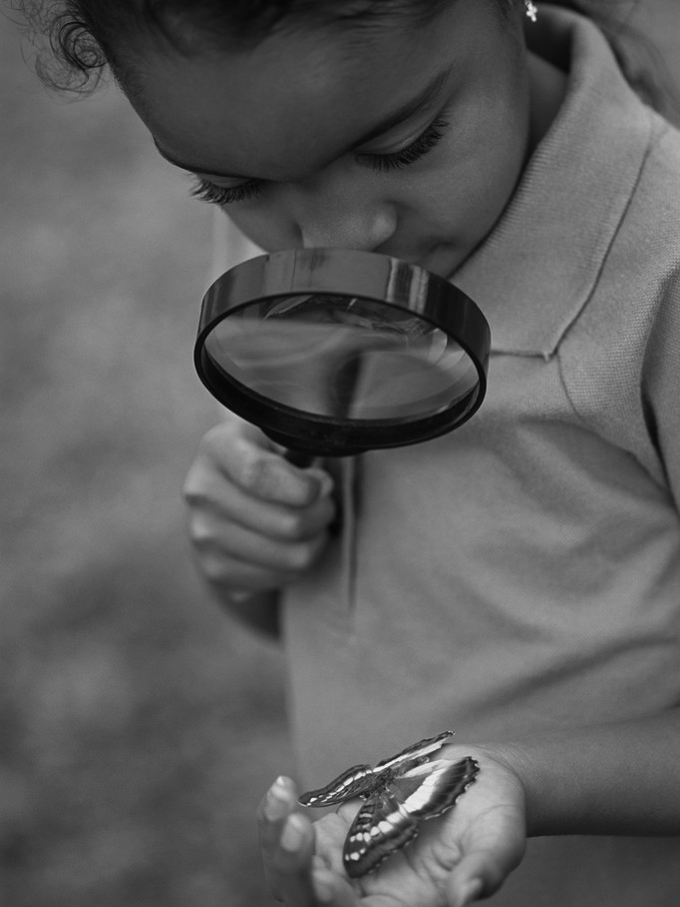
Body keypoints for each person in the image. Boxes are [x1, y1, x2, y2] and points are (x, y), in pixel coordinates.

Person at [22, 1, 680, 904]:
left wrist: (521, 777)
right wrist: (249, 552)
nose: (329, 242)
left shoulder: (662, 271)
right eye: (228, 187)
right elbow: (377, 616)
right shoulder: (304, 203)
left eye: (403, 147)